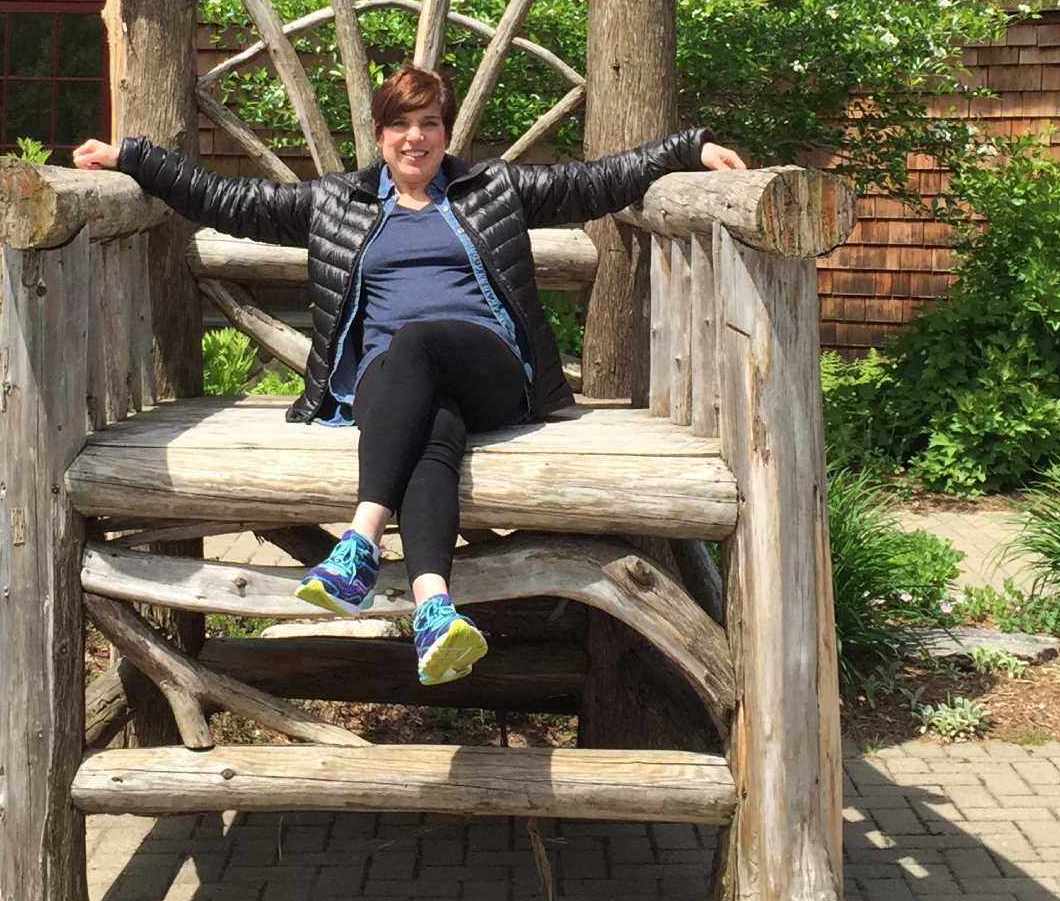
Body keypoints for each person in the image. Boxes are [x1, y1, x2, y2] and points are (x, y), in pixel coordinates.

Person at [74, 63, 744, 687]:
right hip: (395, 387)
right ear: (380, 133)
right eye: (401, 124)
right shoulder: (338, 202)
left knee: (417, 340)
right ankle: (434, 608)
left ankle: (359, 539)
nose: (415, 138)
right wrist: (133, 159)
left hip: (490, 367)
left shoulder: (493, 190)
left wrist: (690, 149)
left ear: (447, 133)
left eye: (429, 124)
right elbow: (230, 199)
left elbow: (599, 181)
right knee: (431, 424)